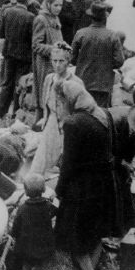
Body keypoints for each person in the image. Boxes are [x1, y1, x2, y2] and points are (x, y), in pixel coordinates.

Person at [54, 80, 120, 270]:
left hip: (81, 187)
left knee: (76, 232)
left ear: (68, 100)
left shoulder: (74, 123)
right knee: (94, 231)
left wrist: (59, 190)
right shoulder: (101, 115)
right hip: (103, 183)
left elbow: (69, 164)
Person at [30, 43, 83, 176]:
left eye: (61, 61)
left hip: (67, 126)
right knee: (41, 160)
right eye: (55, 61)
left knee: (62, 161)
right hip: (50, 123)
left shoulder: (75, 82)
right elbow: (45, 102)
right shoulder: (49, 79)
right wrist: (45, 119)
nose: (57, 65)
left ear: (68, 62)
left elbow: (80, 110)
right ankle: (36, 186)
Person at [71, 2, 123, 107]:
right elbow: (119, 61)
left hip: (82, 81)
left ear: (91, 17)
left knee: (81, 112)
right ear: (105, 18)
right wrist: (106, 65)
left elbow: (72, 58)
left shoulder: (80, 33)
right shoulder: (113, 36)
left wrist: (83, 62)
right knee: (100, 115)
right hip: (103, 84)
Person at [11, 173, 56, 270]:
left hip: (25, 244)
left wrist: (13, 234)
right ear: (44, 189)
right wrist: (53, 199)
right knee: (39, 265)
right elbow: (57, 211)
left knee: (26, 264)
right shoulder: (48, 206)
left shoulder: (22, 208)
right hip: (43, 243)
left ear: (26, 191)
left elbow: (16, 225)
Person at [0, 0, 35, 119]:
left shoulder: (7, 12)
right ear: (28, 0)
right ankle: (15, 114)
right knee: (20, 85)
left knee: (6, 84)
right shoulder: (30, 17)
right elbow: (32, 40)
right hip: (24, 57)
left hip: (9, 54)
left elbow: (1, 34)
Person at [32, 0, 65, 120]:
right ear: (48, 4)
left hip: (56, 62)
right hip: (45, 63)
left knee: (54, 93)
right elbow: (36, 45)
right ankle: (40, 121)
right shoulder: (41, 19)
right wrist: (54, 50)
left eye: (60, 5)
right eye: (55, 5)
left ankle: (51, 121)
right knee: (44, 92)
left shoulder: (55, 18)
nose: (59, 8)